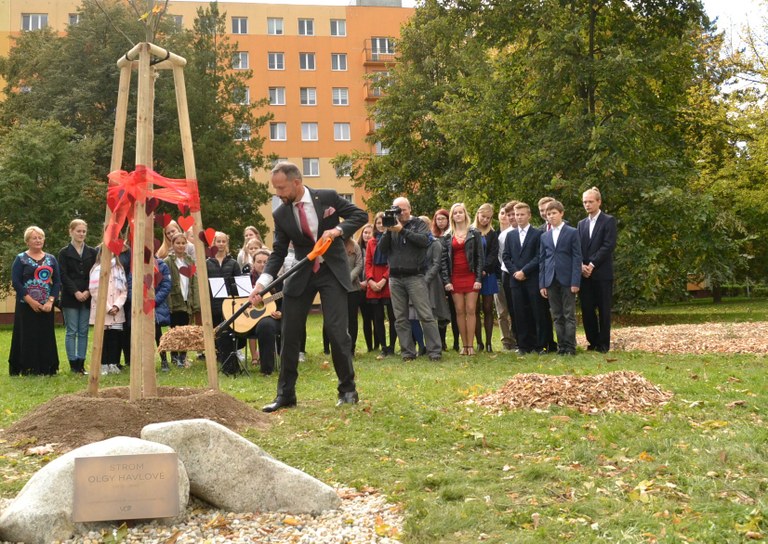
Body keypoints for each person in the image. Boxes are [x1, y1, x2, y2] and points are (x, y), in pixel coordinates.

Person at [250, 161, 367, 412]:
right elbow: (278, 252)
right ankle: (285, 395)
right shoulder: (281, 213)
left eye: (281, 188)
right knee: (290, 333)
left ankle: (347, 390)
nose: (278, 193)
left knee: (337, 332)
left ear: (296, 182)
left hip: (331, 272)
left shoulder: (327, 197)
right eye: (275, 189)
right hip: (302, 272)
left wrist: (337, 229)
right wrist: (262, 284)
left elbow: (360, 215)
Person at [378, 197, 442, 362]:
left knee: (425, 315)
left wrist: (402, 230)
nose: (401, 213)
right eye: (397, 210)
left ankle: (434, 351)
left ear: (409, 209)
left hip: (415, 276)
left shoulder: (419, 224)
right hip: (395, 277)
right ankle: (407, 352)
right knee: (400, 318)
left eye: (403, 209)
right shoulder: (391, 225)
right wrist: (387, 230)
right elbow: (382, 250)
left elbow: (423, 241)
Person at [9, 226, 62, 376]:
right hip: (26, 305)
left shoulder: (51, 259)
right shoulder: (20, 259)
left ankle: (47, 368)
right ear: (27, 241)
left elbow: (57, 282)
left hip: (46, 305)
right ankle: (28, 368)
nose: (38, 240)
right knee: (27, 336)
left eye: (40, 237)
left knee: (46, 336)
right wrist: (31, 301)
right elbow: (16, 282)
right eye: (34, 238)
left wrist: (50, 301)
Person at [502, 203, 547, 355]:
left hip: (532, 278)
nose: (518, 217)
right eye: (516, 214)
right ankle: (523, 345)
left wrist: (524, 271)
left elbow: (539, 256)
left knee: (536, 312)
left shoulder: (537, 234)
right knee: (519, 313)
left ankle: (540, 345)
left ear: (529, 215)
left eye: (522, 214)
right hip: (515, 280)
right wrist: (515, 272)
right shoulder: (510, 235)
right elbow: (506, 257)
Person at [539, 200, 582, 356]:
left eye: (554, 213)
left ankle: (570, 347)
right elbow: (542, 260)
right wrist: (542, 284)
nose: (551, 216)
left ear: (561, 213)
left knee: (568, 314)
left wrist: (575, 281)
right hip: (550, 279)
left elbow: (577, 258)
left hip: (568, 279)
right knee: (556, 315)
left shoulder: (572, 232)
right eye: (548, 214)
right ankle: (561, 346)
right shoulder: (545, 236)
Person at [441, 203, 483, 356]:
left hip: (471, 276)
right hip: (455, 277)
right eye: (455, 213)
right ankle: (463, 345)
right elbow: (444, 261)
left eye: (460, 212)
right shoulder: (447, 235)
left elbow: (480, 257)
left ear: (465, 214)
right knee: (459, 311)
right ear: (452, 216)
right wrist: (447, 281)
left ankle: (471, 345)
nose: (458, 215)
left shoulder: (474, 233)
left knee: (471, 310)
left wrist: (478, 278)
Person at [578, 187, 617, 353]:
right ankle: (592, 342)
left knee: (603, 310)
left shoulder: (608, 220)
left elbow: (608, 245)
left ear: (599, 202)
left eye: (590, 201)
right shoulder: (581, 224)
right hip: (584, 274)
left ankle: (603, 344)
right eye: (585, 202)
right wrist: (581, 265)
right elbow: (577, 247)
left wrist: (592, 264)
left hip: (601, 273)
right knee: (587, 310)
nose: (587, 205)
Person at [58, 219, 98, 374]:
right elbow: (63, 275)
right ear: (71, 231)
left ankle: (81, 363)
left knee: (83, 331)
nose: (81, 234)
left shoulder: (92, 252)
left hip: (88, 296)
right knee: (71, 330)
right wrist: (75, 292)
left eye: (84, 231)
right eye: (78, 231)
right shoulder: (64, 253)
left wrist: (88, 291)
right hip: (70, 296)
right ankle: (73, 364)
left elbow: (95, 273)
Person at [89, 247, 128, 375]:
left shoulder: (119, 269)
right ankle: (103, 363)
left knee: (115, 337)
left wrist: (117, 305)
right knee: (103, 338)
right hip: (102, 309)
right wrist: (108, 307)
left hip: (117, 310)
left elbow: (124, 290)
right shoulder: (96, 269)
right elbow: (94, 291)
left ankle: (113, 362)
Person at [206, 231, 242, 366]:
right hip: (213, 302)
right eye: (218, 241)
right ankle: (215, 354)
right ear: (213, 243)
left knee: (228, 328)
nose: (220, 244)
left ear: (227, 243)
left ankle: (228, 355)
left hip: (229, 302)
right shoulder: (208, 262)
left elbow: (238, 283)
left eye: (223, 241)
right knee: (215, 328)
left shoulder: (233, 263)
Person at [165, 232, 200, 368]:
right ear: (173, 245)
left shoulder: (190, 261)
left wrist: (195, 302)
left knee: (185, 330)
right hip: (175, 299)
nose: (181, 246)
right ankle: (174, 356)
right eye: (178, 243)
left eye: (183, 243)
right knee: (174, 329)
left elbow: (194, 282)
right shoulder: (168, 261)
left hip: (187, 299)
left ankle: (183, 357)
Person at [245, 248, 281, 376]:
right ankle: (229, 368)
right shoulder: (245, 280)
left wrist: (281, 313)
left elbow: (287, 303)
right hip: (247, 318)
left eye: (266, 262)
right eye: (259, 261)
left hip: (271, 319)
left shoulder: (279, 281)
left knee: (265, 325)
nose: (262, 265)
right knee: (227, 325)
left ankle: (266, 369)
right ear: (253, 263)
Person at [366, 213, 396, 359]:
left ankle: (392, 347)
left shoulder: (392, 239)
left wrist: (384, 279)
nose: (380, 225)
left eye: (383, 223)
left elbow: (393, 261)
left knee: (393, 317)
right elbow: (368, 263)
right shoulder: (371, 242)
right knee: (377, 317)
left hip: (388, 281)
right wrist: (371, 280)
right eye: (378, 223)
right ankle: (383, 346)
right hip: (374, 282)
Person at [472, 203, 499, 352]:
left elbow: (493, 254)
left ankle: (489, 342)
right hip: (473, 275)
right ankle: (479, 342)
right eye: (483, 217)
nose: (485, 220)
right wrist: (476, 270)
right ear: (477, 215)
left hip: (488, 274)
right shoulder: (470, 231)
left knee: (488, 308)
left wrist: (484, 269)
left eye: (488, 218)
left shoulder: (492, 234)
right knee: (474, 308)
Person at [432, 208, 456, 351]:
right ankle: (441, 341)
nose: (440, 222)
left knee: (454, 310)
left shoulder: (452, 236)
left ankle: (457, 342)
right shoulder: (432, 236)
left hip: (451, 275)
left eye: (443, 219)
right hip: (437, 278)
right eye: (438, 219)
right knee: (440, 310)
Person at [495, 201, 518, 351]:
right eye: (507, 214)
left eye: (512, 214)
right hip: (507, 274)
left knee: (519, 309)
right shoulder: (503, 235)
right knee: (503, 310)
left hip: (525, 275)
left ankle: (520, 338)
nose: (510, 217)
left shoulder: (532, 232)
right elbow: (502, 257)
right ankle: (507, 341)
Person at [537, 196, 558, 353]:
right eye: (542, 211)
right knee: (544, 313)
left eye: (548, 210)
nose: (545, 214)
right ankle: (548, 343)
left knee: (563, 313)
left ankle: (566, 343)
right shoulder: (540, 231)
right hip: (545, 278)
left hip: (562, 278)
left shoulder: (568, 228)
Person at [356, 224, 375, 352]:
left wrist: (369, 282)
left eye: (370, 233)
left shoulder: (376, 248)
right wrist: (359, 283)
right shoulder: (357, 249)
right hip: (359, 288)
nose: (367, 235)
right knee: (366, 318)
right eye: (365, 232)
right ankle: (369, 346)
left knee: (376, 317)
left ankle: (378, 345)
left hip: (373, 286)